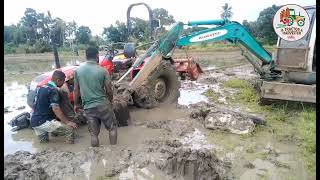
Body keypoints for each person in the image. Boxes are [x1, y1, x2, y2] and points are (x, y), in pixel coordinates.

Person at [74, 46, 117, 147]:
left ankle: (95, 154)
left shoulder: (78, 71)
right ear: (97, 56)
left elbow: (76, 90)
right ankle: (115, 151)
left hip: (88, 107)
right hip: (103, 104)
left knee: (93, 134)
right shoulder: (103, 71)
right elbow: (109, 90)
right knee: (112, 128)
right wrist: (110, 101)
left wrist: (76, 104)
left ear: (86, 56)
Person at [30, 70, 78, 144]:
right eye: (63, 81)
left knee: (44, 143)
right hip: (44, 121)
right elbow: (56, 109)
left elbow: (33, 103)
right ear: (58, 80)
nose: (63, 83)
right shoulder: (53, 91)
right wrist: (67, 122)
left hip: (34, 121)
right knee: (69, 130)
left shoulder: (41, 87)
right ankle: (70, 149)